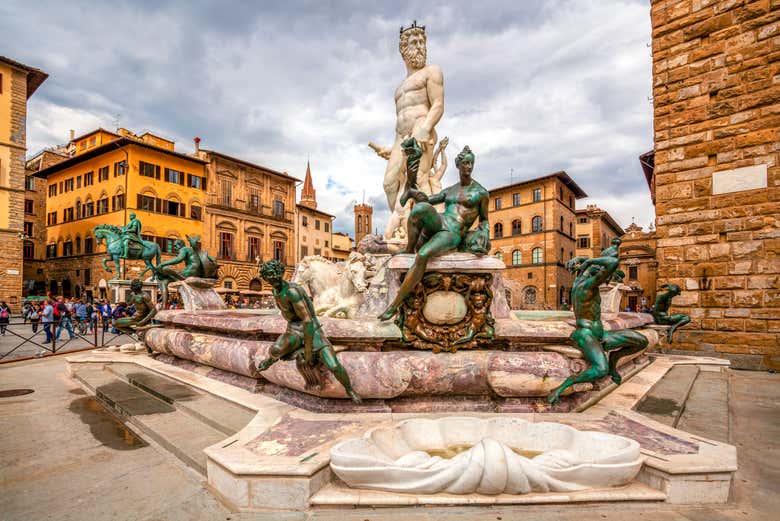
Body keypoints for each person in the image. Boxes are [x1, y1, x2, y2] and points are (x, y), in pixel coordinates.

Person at [378, 144, 490, 321]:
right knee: (421, 208)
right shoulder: (451, 190)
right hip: (441, 220)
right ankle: (409, 248)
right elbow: (428, 199)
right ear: (458, 165)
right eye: (465, 163)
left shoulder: (481, 193)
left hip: (453, 232)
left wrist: (483, 234)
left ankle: (395, 304)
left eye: (471, 163)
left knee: (422, 255)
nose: (468, 167)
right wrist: (412, 187)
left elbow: (484, 220)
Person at [369, 22, 444, 237]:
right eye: (414, 42)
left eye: (422, 42)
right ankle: (403, 228)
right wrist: (390, 148)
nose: (420, 46)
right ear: (404, 48)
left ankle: (425, 231)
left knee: (419, 179)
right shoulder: (399, 89)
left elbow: (438, 105)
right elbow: (400, 122)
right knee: (389, 183)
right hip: (400, 138)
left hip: (422, 131)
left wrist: (425, 128)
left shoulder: (432, 72)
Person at [256, 259, 362, 404]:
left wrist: (307, 350)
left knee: (334, 366)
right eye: (268, 276)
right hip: (294, 330)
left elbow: (307, 320)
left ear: (280, 273)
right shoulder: (275, 291)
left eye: (274, 274)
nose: (272, 278)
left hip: (312, 330)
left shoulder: (292, 292)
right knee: (275, 349)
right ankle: (270, 360)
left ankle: (350, 390)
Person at [547, 255, 648, 404]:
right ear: (591, 270)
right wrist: (589, 262)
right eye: (599, 270)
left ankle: (614, 359)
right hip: (585, 334)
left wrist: (584, 261)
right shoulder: (588, 285)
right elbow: (613, 262)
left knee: (642, 341)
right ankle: (563, 386)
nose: (603, 272)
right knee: (601, 369)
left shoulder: (582, 281)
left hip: (599, 333)